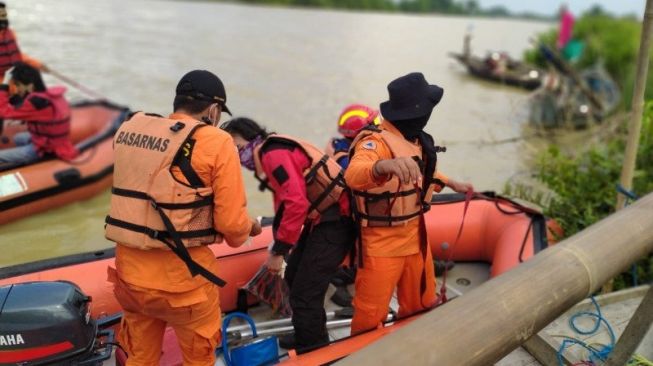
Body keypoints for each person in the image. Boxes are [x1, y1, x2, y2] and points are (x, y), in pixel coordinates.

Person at [105, 70, 261, 366]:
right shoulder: (217, 142)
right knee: (198, 358)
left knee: (140, 357)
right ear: (214, 110)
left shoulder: (133, 131)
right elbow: (232, 228)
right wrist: (249, 226)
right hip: (184, 286)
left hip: (131, 277)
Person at [345, 72, 474, 335]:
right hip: (381, 245)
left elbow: (423, 175)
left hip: (417, 240)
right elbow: (354, 174)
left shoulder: (415, 140)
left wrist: (451, 183)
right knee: (370, 314)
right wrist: (383, 166)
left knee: (421, 304)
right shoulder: (375, 141)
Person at [222, 117, 355, 350]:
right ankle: (307, 331)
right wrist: (281, 241)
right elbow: (284, 202)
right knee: (293, 275)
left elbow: (295, 203)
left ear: (252, 139)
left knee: (305, 293)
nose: (237, 155)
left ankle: (314, 347)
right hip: (323, 219)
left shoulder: (273, 155)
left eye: (237, 147)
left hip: (337, 221)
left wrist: (279, 250)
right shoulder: (273, 150)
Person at [0, 62, 76, 170]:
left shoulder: (36, 102)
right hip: (56, 143)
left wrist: (4, 85)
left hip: (45, 149)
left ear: (30, 85)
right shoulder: (49, 96)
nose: (17, 89)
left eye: (18, 85)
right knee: (18, 138)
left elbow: (3, 112)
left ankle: (32, 162)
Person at [325, 103, 380, 169]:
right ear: (360, 133)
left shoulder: (340, 145)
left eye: (377, 120)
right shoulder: (345, 160)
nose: (378, 126)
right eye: (375, 123)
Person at [0, 2, 47, 77]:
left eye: (3, 15)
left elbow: (17, 55)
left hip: (8, 74)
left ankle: (38, 88)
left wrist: (38, 65)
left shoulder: (9, 33)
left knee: (33, 71)